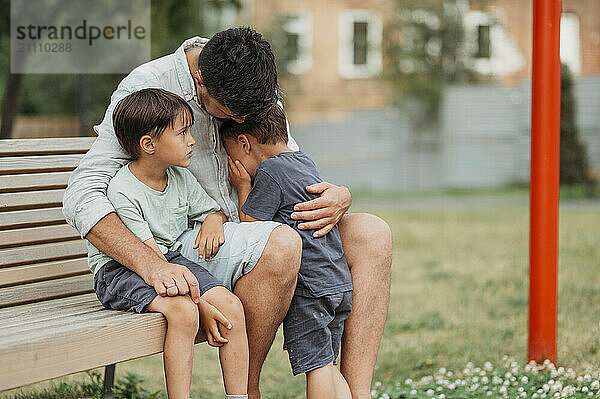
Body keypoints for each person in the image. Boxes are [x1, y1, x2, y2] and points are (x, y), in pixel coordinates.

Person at [63, 27, 392, 399]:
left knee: (371, 233)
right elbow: (82, 195)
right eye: (233, 115)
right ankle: (247, 391)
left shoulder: (249, 86)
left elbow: (286, 161)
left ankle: (359, 393)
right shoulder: (149, 87)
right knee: (280, 243)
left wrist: (339, 195)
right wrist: (153, 265)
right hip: (194, 242)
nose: (242, 122)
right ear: (201, 81)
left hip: (251, 221)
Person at [89, 88, 253, 399]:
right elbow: (150, 261)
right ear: (149, 145)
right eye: (182, 133)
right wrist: (201, 303)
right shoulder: (123, 190)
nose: (192, 140)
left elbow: (211, 210)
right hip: (121, 269)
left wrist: (214, 220)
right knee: (184, 313)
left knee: (231, 306)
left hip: (169, 260)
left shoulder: (180, 177)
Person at [222, 103, 353, 399]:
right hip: (337, 280)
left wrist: (243, 185)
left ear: (245, 143)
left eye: (232, 154)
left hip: (311, 290)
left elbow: (251, 227)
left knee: (317, 366)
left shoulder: (269, 171)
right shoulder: (304, 161)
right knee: (329, 364)